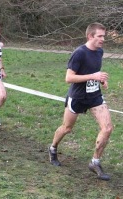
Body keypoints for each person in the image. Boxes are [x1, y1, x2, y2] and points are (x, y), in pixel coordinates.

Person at [48, 22, 113, 181]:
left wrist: (101, 80)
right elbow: (69, 78)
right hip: (77, 97)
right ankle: (53, 148)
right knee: (67, 128)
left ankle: (95, 162)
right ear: (90, 36)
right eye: (100, 36)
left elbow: (93, 71)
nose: (103, 39)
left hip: (94, 96)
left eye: (103, 36)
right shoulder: (79, 53)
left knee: (108, 127)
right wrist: (93, 77)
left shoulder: (99, 52)